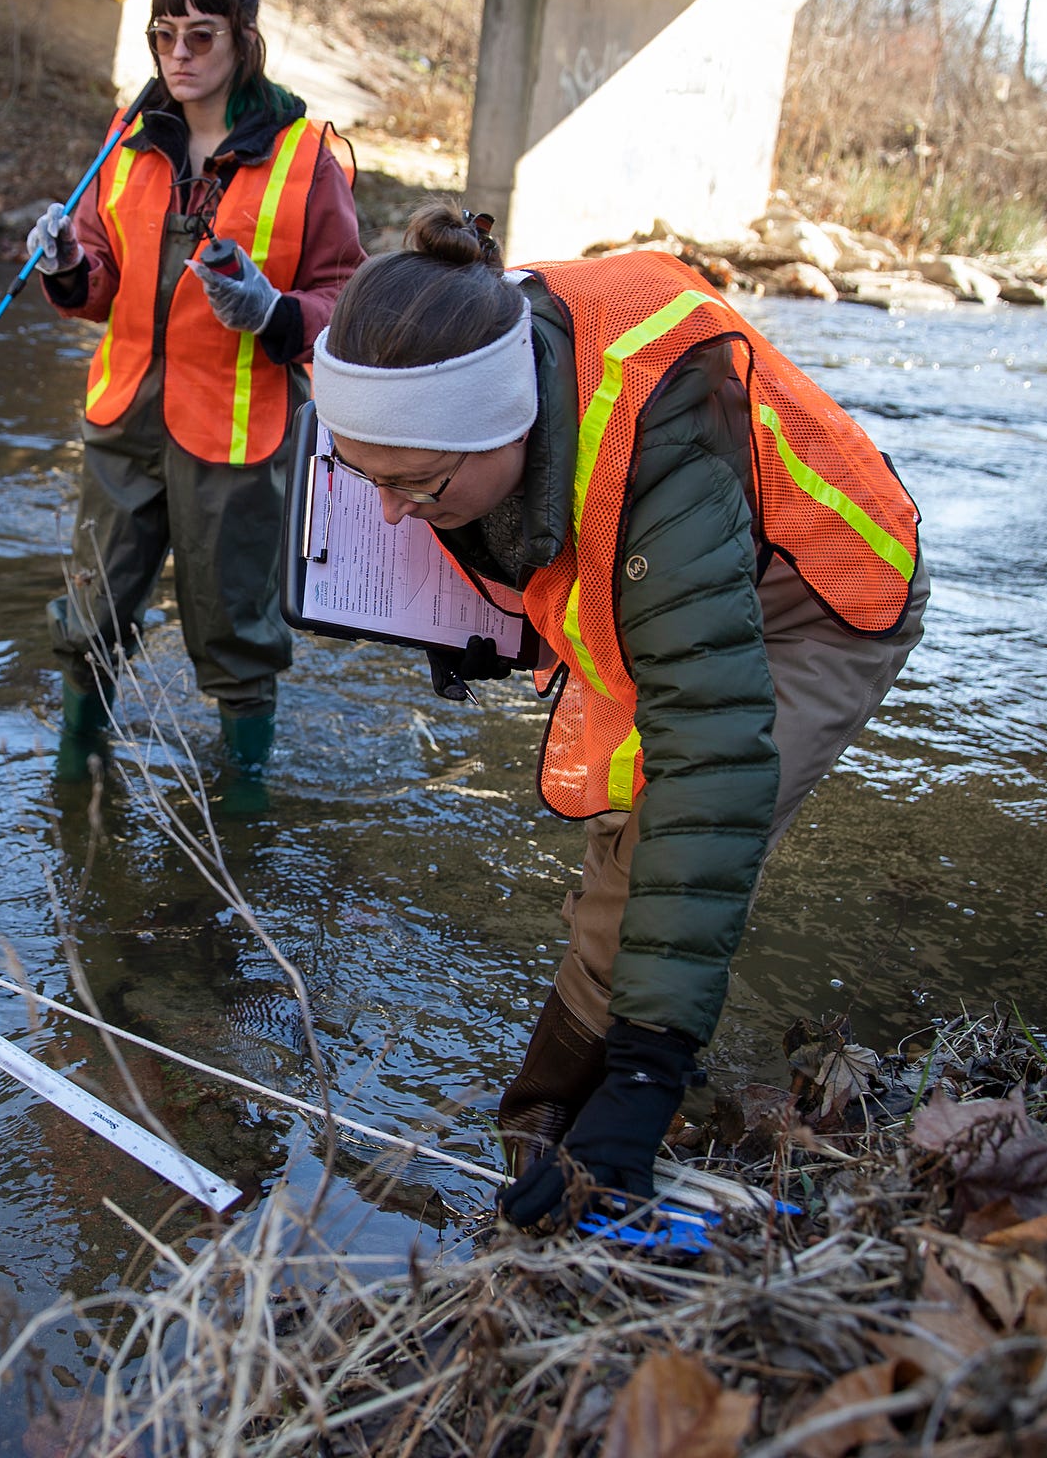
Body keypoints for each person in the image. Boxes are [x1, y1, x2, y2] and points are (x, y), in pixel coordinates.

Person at [307, 204, 928, 1226]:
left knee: (654, 852)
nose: (385, 511)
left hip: (819, 597)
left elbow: (712, 772)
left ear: (502, 426)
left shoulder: (658, 458)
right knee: (618, 868)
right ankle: (542, 1131)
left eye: (416, 484)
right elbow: (517, 508)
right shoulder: (470, 339)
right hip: (669, 579)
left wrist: (647, 1078)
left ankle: (593, 1124)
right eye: (370, 475)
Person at [27, 0, 363, 806]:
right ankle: (77, 783)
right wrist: (68, 263)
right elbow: (101, 270)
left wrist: (274, 313)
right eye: (164, 35)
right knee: (91, 619)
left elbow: (345, 294)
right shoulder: (128, 137)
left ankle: (241, 817)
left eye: (200, 36)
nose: (179, 55)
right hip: (123, 422)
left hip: (240, 434)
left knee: (236, 641)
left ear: (243, 40)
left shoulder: (304, 156)